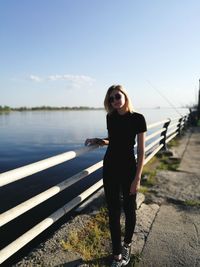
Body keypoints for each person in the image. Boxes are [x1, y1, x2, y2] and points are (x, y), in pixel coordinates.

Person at [85, 85, 147, 267]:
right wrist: (100, 140)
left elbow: (142, 151)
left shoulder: (138, 118)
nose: (114, 101)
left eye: (117, 96)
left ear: (125, 96)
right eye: (110, 99)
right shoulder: (110, 117)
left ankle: (127, 245)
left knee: (129, 209)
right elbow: (114, 139)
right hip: (110, 167)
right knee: (112, 212)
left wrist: (137, 178)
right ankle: (117, 254)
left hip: (128, 169)